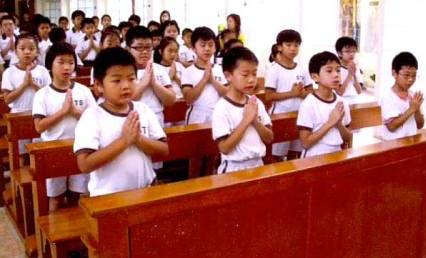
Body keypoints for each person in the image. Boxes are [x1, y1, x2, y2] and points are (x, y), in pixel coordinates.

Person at [74, 47, 169, 197]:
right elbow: (85, 164)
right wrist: (125, 141)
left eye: (131, 79)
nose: (125, 86)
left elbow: (164, 150)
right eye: (117, 80)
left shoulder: (143, 109)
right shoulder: (92, 116)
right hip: (109, 196)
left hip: (146, 189)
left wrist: (138, 139)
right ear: (99, 85)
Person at [32, 42, 96, 211]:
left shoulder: (83, 91)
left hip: (80, 150)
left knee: (78, 196)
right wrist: (63, 112)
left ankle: (75, 234)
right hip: (52, 151)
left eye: (70, 62)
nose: (67, 67)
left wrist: (75, 112)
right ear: (50, 65)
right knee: (56, 198)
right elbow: (39, 127)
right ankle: (54, 237)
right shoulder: (42, 94)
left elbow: (95, 121)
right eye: (61, 62)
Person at [212, 47, 273, 173]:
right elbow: (225, 148)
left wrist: (255, 121)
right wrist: (246, 120)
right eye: (245, 75)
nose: (251, 79)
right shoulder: (221, 108)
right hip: (233, 168)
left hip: (258, 164)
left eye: (254, 74)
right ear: (228, 76)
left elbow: (269, 138)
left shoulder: (255, 103)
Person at [265, 29, 313, 161]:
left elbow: (311, 92)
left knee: (295, 154)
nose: (293, 49)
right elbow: (269, 96)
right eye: (289, 45)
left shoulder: (302, 68)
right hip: (279, 116)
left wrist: (302, 93)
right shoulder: (274, 69)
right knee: (278, 155)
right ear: (279, 47)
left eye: (296, 45)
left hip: (300, 116)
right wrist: (292, 93)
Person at [297, 51, 352, 157]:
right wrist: (330, 123)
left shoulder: (342, 102)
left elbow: (348, 138)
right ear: (315, 77)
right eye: (329, 71)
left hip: (337, 155)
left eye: (338, 70)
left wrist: (339, 124)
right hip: (314, 157)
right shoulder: (308, 104)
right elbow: (306, 143)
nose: (336, 75)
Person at [126, 26, 175, 126]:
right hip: (133, 119)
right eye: (139, 47)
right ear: (128, 48)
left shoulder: (159, 69)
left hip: (157, 119)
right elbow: (126, 101)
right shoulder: (123, 71)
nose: (144, 52)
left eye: (148, 47)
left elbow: (171, 100)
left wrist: (154, 83)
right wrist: (144, 83)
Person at [181, 26, 227, 124]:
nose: (207, 49)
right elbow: (188, 99)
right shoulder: (188, 71)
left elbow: (228, 94)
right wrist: (204, 80)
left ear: (215, 48)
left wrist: (213, 81)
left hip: (218, 115)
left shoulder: (220, 69)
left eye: (210, 45)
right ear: (193, 48)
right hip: (196, 116)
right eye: (202, 45)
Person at [2, 33, 51, 113]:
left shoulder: (43, 71)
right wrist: (24, 84)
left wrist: (34, 85)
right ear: (16, 51)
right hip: (17, 114)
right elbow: (7, 100)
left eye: (31, 49)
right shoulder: (9, 72)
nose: (27, 52)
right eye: (22, 48)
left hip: (40, 112)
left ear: (37, 51)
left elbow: (49, 97)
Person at [380, 52, 424, 140]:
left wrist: (417, 109)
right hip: (392, 146)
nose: (410, 79)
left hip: (410, 144)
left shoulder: (413, 96)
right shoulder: (388, 97)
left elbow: (420, 125)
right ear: (394, 73)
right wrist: (412, 109)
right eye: (406, 75)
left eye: (414, 75)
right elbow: (391, 127)